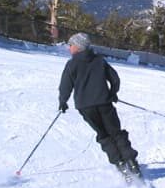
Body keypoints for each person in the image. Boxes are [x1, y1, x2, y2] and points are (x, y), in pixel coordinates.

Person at [58, 33, 141, 178]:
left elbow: (66, 85)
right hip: (104, 103)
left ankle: (120, 165)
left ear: (78, 47)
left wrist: (63, 101)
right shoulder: (99, 60)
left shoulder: (72, 64)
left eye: (70, 45)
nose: (69, 48)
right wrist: (113, 93)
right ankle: (132, 162)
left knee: (103, 135)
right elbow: (115, 79)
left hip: (85, 107)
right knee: (116, 132)